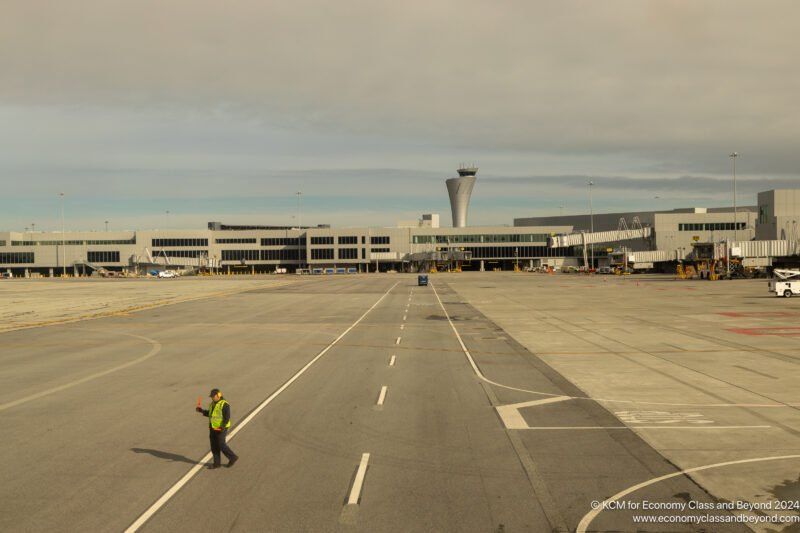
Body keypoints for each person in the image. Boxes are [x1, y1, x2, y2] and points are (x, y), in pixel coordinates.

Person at [196, 388, 239, 469]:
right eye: (211, 396)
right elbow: (210, 414)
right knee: (214, 446)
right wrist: (201, 411)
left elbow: (227, 417)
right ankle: (217, 463)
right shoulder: (213, 404)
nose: (212, 398)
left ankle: (233, 457)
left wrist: (222, 426)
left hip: (221, 428)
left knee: (221, 444)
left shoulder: (224, 404)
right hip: (212, 427)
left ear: (218, 395)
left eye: (213, 396)